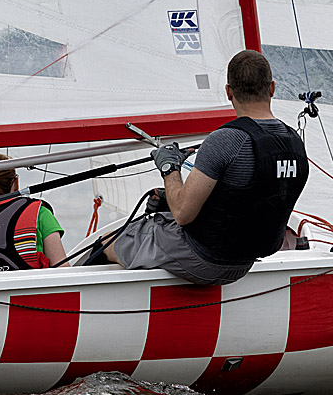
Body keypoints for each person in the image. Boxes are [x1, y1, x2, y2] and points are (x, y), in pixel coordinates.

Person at [101, 49, 308, 285]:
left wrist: (169, 168)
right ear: (272, 88)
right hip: (243, 263)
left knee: (107, 242)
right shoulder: (295, 143)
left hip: (203, 258)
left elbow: (182, 214)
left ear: (228, 92)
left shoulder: (226, 140)